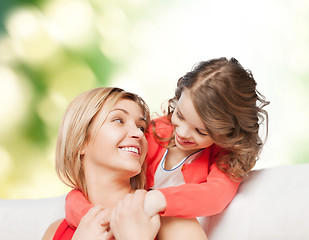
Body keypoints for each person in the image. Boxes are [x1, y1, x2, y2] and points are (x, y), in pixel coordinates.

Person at [65, 57, 269, 237]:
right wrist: (96, 219)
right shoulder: (155, 132)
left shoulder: (223, 159)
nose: (182, 133)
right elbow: (85, 188)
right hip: (124, 219)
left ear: (227, 134)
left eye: (200, 131)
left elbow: (216, 195)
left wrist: (155, 200)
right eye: (179, 115)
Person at [42, 87, 160, 240]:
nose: (138, 134)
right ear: (82, 142)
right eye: (119, 120)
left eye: (141, 127)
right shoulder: (55, 232)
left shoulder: (169, 219)